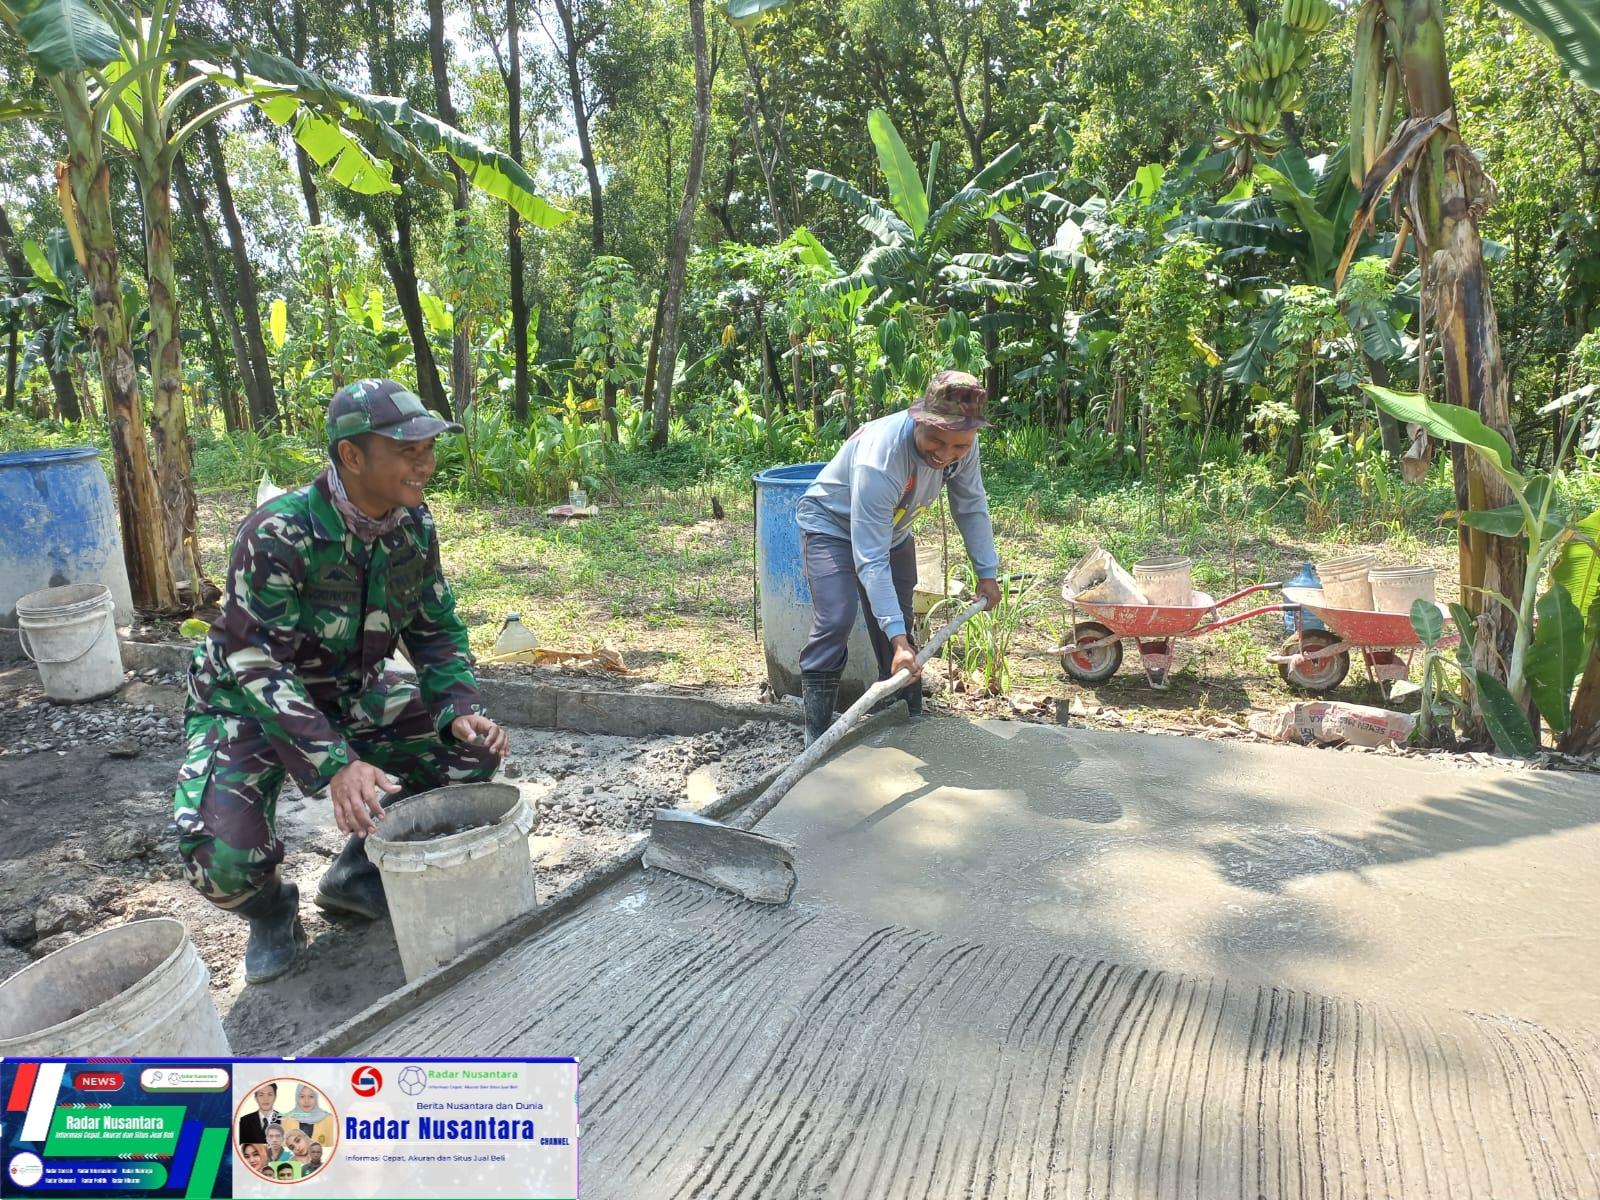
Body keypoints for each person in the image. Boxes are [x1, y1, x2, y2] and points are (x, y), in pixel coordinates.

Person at [173, 379, 510, 982]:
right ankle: (271, 910)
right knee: (219, 861)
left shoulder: (412, 525)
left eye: (429, 448)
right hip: (246, 706)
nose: (425, 463)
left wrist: (459, 705)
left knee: (470, 752)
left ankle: (358, 874)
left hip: (350, 694)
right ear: (351, 456)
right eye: (407, 451)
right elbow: (257, 663)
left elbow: (435, 628)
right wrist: (336, 765)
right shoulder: (277, 535)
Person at [794, 370, 1003, 743]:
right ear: (918, 419)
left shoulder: (962, 446)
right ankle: (817, 733)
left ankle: (902, 717)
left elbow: (971, 506)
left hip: (893, 530)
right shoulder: (882, 456)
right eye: (935, 441)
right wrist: (898, 642)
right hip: (832, 526)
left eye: (958, 447)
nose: (945, 455)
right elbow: (870, 558)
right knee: (838, 616)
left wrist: (987, 571)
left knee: (901, 623)